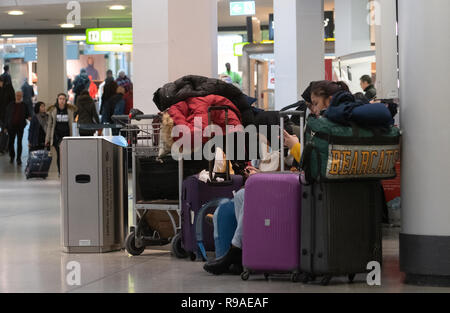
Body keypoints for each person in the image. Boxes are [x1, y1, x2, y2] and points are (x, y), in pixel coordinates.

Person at [46, 93, 77, 174]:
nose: (62, 100)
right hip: (56, 136)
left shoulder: (70, 110)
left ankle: (67, 171)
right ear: (57, 99)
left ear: (66, 100)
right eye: (60, 98)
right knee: (59, 154)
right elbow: (49, 125)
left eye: (63, 99)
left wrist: (74, 136)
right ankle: (61, 172)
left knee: (66, 155)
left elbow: (72, 124)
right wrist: (47, 139)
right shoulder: (53, 110)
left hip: (67, 135)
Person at [4, 91, 31, 165]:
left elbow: (27, 114)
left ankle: (18, 158)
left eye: (20, 95)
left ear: (21, 96)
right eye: (17, 95)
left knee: (19, 143)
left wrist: (29, 118)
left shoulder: (24, 105)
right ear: (15, 96)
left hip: (20, 127)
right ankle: (12, 156)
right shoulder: (10, 105)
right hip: (11, 127)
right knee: (10, 143)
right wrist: (5, 127)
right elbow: (6, 117)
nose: (18, 97)